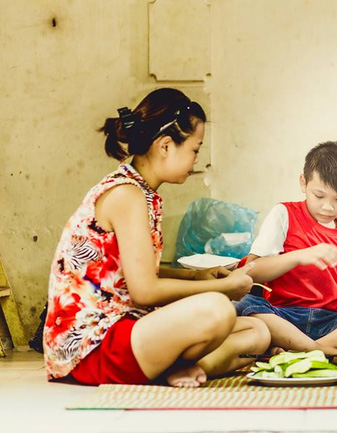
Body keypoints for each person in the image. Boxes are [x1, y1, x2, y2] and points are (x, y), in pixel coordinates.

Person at [43, 88, 270, 388]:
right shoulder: (126, 194)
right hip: (94, 346)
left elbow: (137, 272)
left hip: (127, 327)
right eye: (195, 149)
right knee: (217, 309)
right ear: (165, 146)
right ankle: (176, 367)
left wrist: (198, 277)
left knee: (257, 331)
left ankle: (181, 368)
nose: (196, 160)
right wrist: (224, 287)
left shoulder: (141, 191)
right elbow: (145, 291)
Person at [236, 142, 337, 355]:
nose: (328, 207)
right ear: (303, 182)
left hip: (331, 320)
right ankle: (326, 351)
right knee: (244, 304)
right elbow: (250, 272)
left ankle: (303, 349)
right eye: (319, 196)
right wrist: (299, 256)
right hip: (284, 316)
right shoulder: (284, 214)